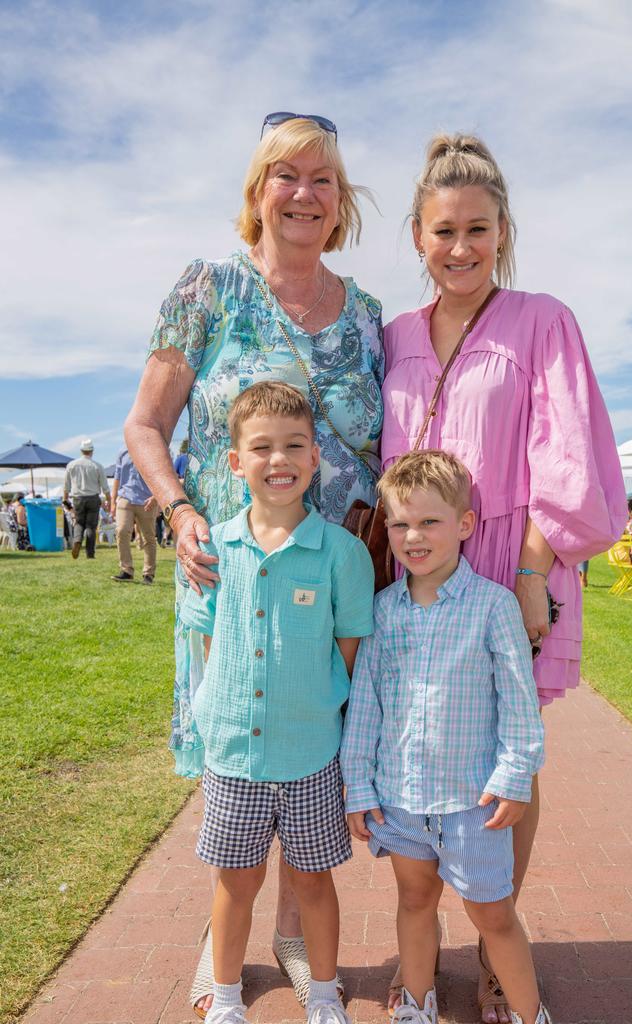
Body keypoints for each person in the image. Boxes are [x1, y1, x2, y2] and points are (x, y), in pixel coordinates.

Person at [124, 113, 383, 1017]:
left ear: (341, 199)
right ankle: (222, 946)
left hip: (334, 569)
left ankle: (292, 935)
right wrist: (182, 510)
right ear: (257, 190)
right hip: (226, 573)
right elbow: (146, 425)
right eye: (287, 175)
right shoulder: (208, 288)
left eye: (323, 178)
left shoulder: (369, 315)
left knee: (313, 761)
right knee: (236, 754)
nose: (305, 193)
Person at [381, 133, 625, 1022]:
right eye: (443, 231)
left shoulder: (543, 320)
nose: (460, 248)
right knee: (424, 743)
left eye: (477, 230)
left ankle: (496, 944)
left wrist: (533, 573)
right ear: (416, 235)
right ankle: (421, 934)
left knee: (506, 751)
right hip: (416, 580)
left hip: (512, 569)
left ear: (503, 230)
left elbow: (565, 454)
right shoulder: (395, 333)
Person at [180, 382, 374, 1024]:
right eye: (260, 447)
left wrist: (317, 701)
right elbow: (208, 643)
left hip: (311, 753)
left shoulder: (342, 555)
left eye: (294, 445)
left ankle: (322, 992)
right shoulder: (213, 551)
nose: (278, 459)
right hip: (234, 755)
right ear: (236, 461)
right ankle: (228, 996)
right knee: (236, 883)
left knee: (314, 881)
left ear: (315, 457)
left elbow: (347, 644)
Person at [341, 451, 550, 1024]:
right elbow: (365, 706)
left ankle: (532, 1013)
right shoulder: (383, 611)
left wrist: (514, 776)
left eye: (430, 522)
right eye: (401, 523)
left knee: (494, 915)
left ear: (464, 525)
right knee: (413, 900)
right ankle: (416, 1000)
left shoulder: (494, 606)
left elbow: (518, 702)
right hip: (402, 800)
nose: (413, 536)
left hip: (473, 803)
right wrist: (358, 785)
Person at [110, 446, 158, 584]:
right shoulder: (122, 452)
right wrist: (113, 502)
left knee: (149, 537)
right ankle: (126, 571)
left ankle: (148, 574)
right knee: (121, 530)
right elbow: (117, 477)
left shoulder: (152, 450)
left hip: (147, 499)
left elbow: (159, 476)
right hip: (125, 497)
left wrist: (156, 497)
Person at [62, 439, 110, 559]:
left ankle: (77, 540)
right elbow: (105, 487)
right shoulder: (97, 466)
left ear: (81, 450)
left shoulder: (71, 465)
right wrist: (109, 500)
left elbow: (66, 487)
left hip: (78, 498)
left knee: (79, 523)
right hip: (93, 498)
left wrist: (65, 501)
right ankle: (90, 553)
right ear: (92, 451)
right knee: (91, 526)